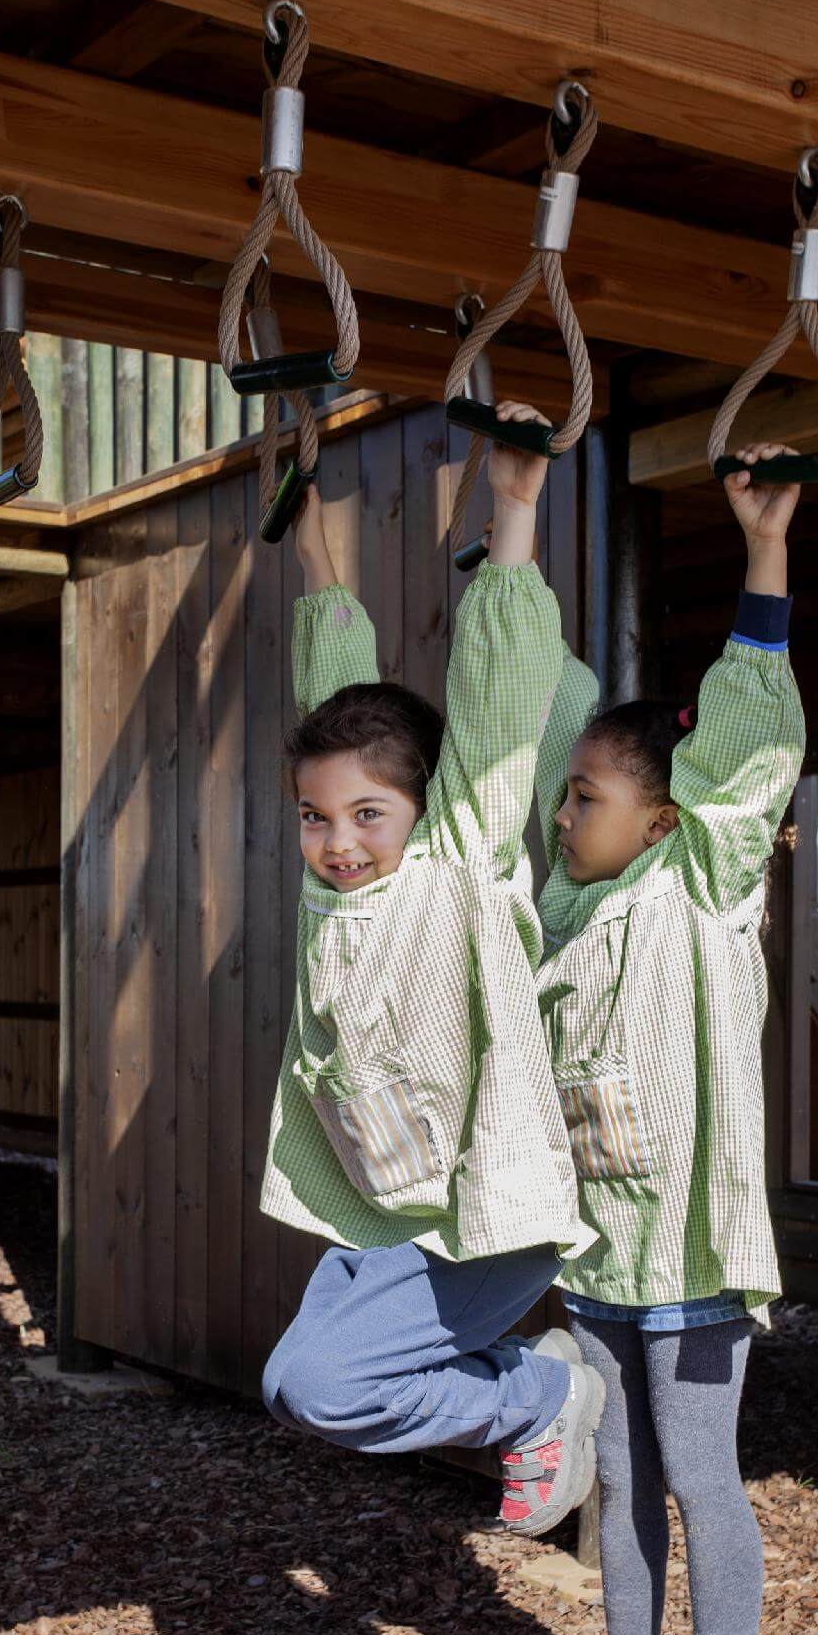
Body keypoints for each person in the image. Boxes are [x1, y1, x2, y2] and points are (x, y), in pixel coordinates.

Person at [260, 406, 604, 1538]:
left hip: (481, 1212)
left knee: (318, 1387)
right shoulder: (330, 890)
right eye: (316, 818)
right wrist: (311, 539)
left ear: (426, 807)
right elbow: (334, 686)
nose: (339, 840)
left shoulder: (457, 860)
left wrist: (514, 505)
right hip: (381, 1212)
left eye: (367, 814)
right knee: (291, 1385)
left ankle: (536, 1397)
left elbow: (499, 690)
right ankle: (525, 1382)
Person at [532, 444, 808, 1635]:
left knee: (701, 1474)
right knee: (624, 1483)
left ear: (663, 813)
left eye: (588, 796)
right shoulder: (566, 916)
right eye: (569, 792)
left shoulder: (700, 883)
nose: (566, 812)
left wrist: (762, 552)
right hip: (603, 1257)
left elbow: (750, 741)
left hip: (695, 1250)